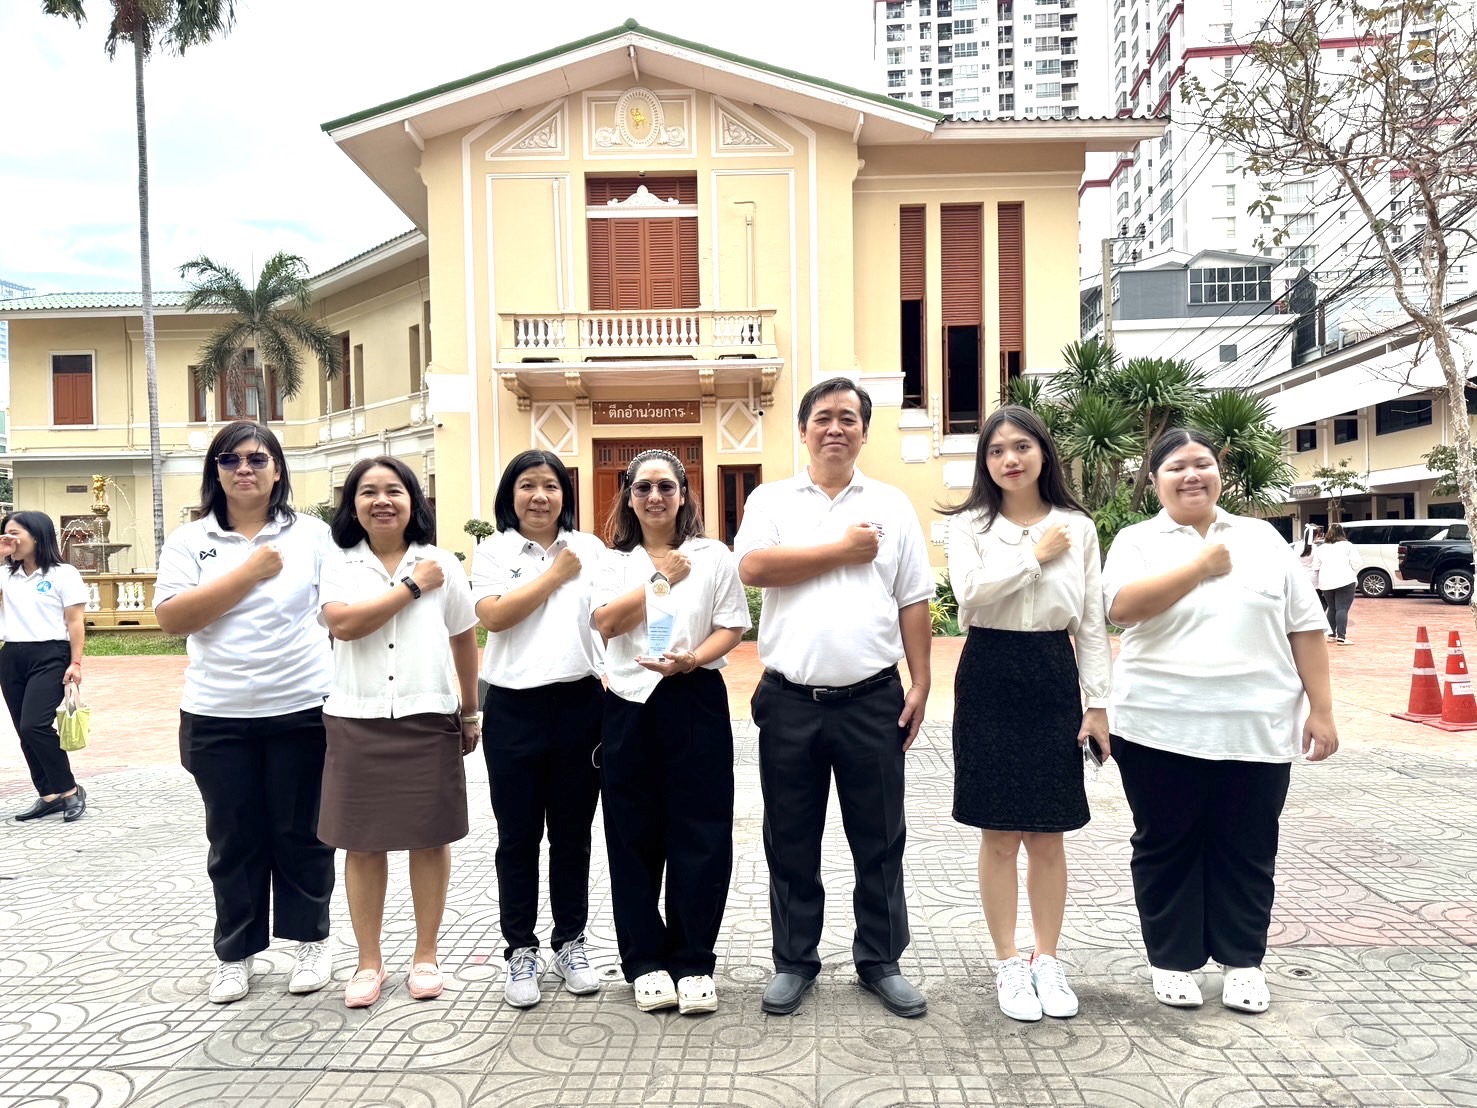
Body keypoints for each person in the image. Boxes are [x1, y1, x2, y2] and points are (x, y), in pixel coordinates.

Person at [1102, 428, 1339, 1014]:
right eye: (1176, 467)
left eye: (1202, 464)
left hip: (1256, 725)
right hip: (1157, 723)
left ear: (1220, 473)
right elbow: (1120, 608)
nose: (1192, 476)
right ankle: (1173, 960)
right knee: (1166, 844)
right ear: (1154, 480)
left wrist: (1322, 709)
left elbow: (1306, 627)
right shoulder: (1137, 541)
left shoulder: (1262, 538)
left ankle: (1243, 963)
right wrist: (1200, 566)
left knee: (1248, 847)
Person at [734, 377, 934, 1020]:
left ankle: (881, 960)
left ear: (864, 432)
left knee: (880, 837)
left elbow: (913, 597)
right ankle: (795, 961)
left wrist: (921, 680)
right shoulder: (770, 500)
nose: (835, 428)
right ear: (803, 430)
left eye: (849, 418)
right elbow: (754, 568)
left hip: (872, 699)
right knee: (791, 837)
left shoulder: (892, 504)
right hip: (789, 699)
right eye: (823, 417)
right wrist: (843, 550)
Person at [155, 421, 336, 1003]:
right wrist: (249, 572)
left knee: (301, 831)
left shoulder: (312, 534)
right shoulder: (190, 540)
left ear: (277, 470)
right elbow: (174, 618)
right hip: (217, 712)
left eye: (257, 459)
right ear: (216, 471)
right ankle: (236, 953)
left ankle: (310, 940)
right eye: (230, 460)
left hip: (301, 705)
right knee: (233, 837)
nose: (244, 469)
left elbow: (339, 609)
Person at [943, 405, 1111, 1022]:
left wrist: (1097, 704)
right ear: (984, 462)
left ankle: (1048, 959)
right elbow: (969, 595)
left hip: (1051, 673)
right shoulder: (970, 526)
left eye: (1021, 446)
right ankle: (1008, 962)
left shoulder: (1078, 527)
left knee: (1048, 832)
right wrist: (1034, 555)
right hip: (989, 671)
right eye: (996, 450)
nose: (1009, 459)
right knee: (998, 833)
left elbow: (1090, 622)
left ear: (1044, 452)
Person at [317, 456, 481, 1009]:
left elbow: (463, 637)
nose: (382, 501)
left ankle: (425, 955)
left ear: (414, 500)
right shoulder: (340, 562)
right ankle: (369, 961)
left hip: (427, 715)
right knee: (362, 843)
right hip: (357, 716)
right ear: (352, 504)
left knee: (429, 839)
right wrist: (412, 586)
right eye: (368, 492)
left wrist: (470, 711)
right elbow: (344, 624)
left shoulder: (442, 562)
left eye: (394, 490)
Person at [591, 448, 748, 1015]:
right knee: (632, 835)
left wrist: (692, 660)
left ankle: (694, 960)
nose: (654, 496)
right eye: (643, 488)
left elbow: (731, 624)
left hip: (694, 696)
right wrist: (660, 579)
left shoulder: (713, 556)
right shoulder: (614, 562)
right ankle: (645, 962)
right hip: (630, 703)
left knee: (702, 832)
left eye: (665, 486)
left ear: (684, 495)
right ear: (629, 498)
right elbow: (607, 623)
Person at [472, 450, 606, 1009]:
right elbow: (494, 616)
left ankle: (570, 941)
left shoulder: (591, 549)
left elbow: (608, 618)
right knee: (518, 837)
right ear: (511, 494)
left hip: (580, 705)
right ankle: (520, 948)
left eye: (551, 485)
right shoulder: (494, 551)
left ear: (564, 495)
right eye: (527, 485)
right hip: (512, 708)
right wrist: (554, 575)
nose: (540, 496)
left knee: (573, 835)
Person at [1, 511, 88, 823]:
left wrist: (75, 662)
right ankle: (48, 795)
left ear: (37, 536)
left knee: (34, 725)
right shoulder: (5, 574)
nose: (9, 539)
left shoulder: (63, 574)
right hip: (12, 655)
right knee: (23, 731)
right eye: (5, 533)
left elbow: (75, 621)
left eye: (15, 533)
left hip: (51, 654)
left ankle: (70, 790)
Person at [1313, 524, 1360, 644]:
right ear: (1342, 532)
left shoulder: (1321, 548)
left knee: (1332, 608)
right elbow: (1357, 563)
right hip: (1345, 580)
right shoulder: (1347, 545)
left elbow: (1316, 566)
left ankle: (1331, 635)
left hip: (1325, 582)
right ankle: (1341, 637)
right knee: (1342, 608)